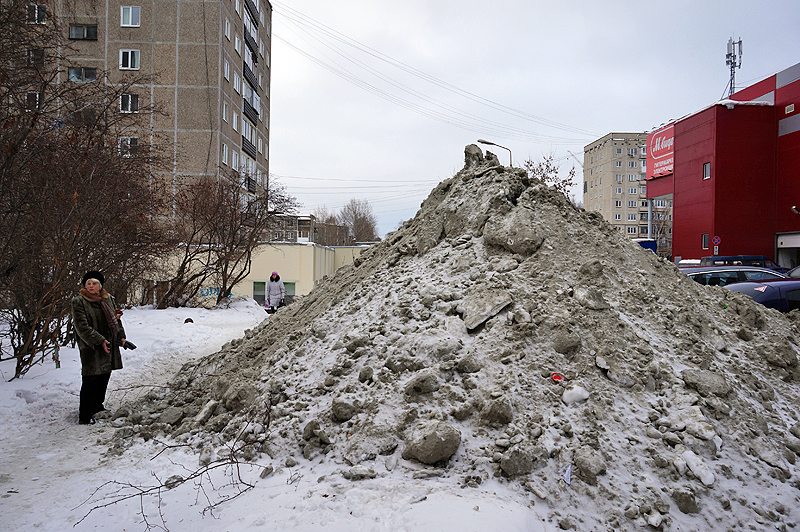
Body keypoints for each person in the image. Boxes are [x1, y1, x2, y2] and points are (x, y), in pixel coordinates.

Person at [71, 270, 131, 425]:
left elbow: (116, 320)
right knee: (90, 378)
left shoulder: (108, 299)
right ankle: (85, 414)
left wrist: (121, 337)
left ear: (100, 285)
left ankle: (97, 406)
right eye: (88, 284)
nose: (91, 286)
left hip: (109, 343)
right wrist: (100, 340)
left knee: (104, 376)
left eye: (94, 283)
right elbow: (81, 327)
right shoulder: (79, 301)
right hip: (91, 346)